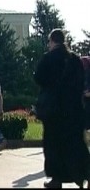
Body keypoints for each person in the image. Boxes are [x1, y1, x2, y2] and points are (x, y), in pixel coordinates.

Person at [34, 28, 90, 188]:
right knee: (76, 143)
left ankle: (57, 178)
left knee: (54, 145)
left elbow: (38, 78)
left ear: (52, 41)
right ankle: (83, 174)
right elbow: (81, 81)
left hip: (54, 110)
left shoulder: (48, 58)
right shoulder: (75, 59)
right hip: (73, 109)